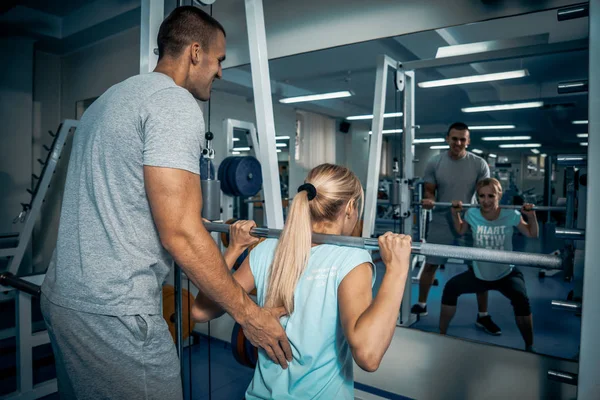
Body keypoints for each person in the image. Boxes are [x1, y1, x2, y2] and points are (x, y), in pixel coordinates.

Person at [40, 7, 290, 399]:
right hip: (115, 310)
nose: (221, 72)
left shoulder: (109, 99)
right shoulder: (173, 104)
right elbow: (181, 233)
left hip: (64, 299)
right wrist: (250, 315)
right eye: (219, 60)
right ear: (195, 52)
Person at [192, 164, 412, 399]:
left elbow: (200, 311)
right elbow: (368, 356)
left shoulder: (266, 249)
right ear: (350, 207)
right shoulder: (351, 259)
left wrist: (234, 249)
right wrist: (397, 270)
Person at [412, 122, 501, 336]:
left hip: (470, 222)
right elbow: (430, 191)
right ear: (447, 139)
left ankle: (483, 315)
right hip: (442, 221)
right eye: (455, 138)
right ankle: (422, 304)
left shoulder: (479, 164)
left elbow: (485, 194)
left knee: (478, 269)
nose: (458, 143)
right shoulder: (435, 162)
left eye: (463, 139)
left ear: (468, 141)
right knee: (431, 265)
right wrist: (428, 200)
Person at [440, 178, 538, 351]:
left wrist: (531, 216)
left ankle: (529, 346)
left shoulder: (511, 215)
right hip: (479, 274)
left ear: (499, 195)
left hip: (505, 274)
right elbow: (461, 230)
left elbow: (532, 234)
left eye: (490, 196)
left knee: (521, 300)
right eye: (482, 196)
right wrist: (455, 214)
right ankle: (440, 335)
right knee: (450, 288)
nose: (485, 201)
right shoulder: (472, 214)